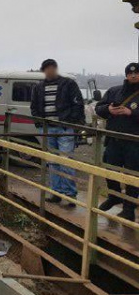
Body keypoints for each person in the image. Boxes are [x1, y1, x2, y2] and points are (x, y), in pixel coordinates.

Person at [30, 59, 85, 206]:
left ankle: (70, 194)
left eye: (51, 68)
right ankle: (56, 192)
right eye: (46, 69)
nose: (49, 71)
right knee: (52, 162)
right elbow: (34, 107)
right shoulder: (38, 87)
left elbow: (78, 104)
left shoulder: (68, 84)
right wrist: (39, 122)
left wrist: (71, 122)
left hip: (64, 127)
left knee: (65, 161)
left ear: (55, 69)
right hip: (47, 128)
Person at [94, 63, 139, 221]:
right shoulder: (114, 91)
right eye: (130, 73)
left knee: (132, 176)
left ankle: (129, 209)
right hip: (114, 139)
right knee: (109, 170)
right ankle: (114, 196)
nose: (133, 75)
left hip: (135, 143)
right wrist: (109, 110)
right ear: (126, 75)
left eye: (136, 73)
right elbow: (98, 108)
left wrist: (131, 112)